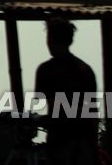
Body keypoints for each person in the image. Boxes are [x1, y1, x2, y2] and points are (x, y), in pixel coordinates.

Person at [34, 19, 98, 165]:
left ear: (50, 40)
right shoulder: (85, 69)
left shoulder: (45, 70)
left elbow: (52, 106)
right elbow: (92, 112)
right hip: (83, 138)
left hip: (59, 139)